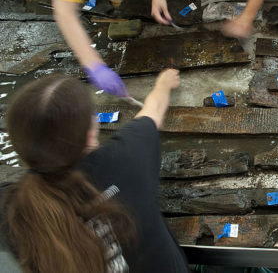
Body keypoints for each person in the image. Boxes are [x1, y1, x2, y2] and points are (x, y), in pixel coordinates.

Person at [0, 69, 188, 273]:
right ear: (90, 134)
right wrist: (163, 83)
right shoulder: (125, 159)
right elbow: (153, 112)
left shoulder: (11, 209)